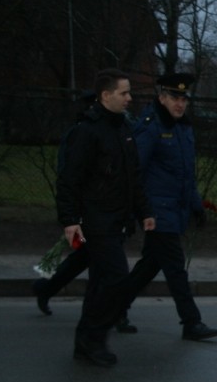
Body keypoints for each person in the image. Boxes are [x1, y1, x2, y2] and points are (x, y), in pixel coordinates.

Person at [55, 68, 155, 366]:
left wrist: (145, 211)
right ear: (105, 95)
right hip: (95, 221)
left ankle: (87, 341)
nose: (129, 98)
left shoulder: (122, 129)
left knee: (101, 283)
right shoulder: (88, 131)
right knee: (116, 279)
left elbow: (133, 177)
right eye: (124, 93)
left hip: (116, 220)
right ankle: (94, 336)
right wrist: (70, 220)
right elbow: (69, 179)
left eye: (129, 92)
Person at [121, 72, 217, 342]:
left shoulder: (183, 128)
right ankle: (191, 321)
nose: (180, 103)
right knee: (175, 266)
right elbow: (135, 170)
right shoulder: (151, 126)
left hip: (174, 210)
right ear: (162, 97)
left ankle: (114, 307)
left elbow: (186, 174)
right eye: (174, 97)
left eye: (183, 98)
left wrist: (196, 206)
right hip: (156, 211)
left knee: (150, 265)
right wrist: (137, 210)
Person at [32, 91, 137, 333]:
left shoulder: (118, 130)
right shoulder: (82, 133)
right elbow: (70, 175)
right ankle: (108, 319)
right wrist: (73, 216)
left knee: (87, 259)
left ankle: (46, 288)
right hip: (90, 216)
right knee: (101, 266)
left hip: (108, 215)